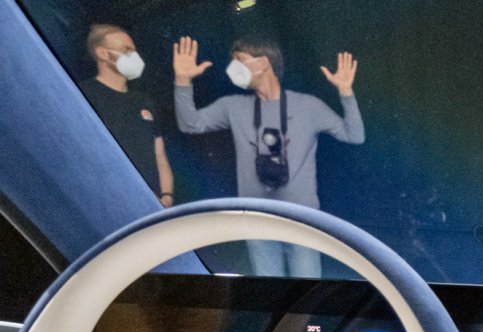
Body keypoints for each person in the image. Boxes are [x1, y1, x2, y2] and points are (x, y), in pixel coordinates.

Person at [172, 35, 364, 278]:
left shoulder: (308, 106)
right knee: (267, 288)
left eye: (240, 60)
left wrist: (346, 92)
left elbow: (354, 135)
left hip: (302, 220)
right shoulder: (232, 106)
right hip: (257, 219)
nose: (233, 68)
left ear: (263, 62)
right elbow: (190, 124)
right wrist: (183, 80)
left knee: (307, 289)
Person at [80, 24, 175, 206]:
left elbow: (160, 155)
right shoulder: (85, 94)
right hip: (109, 200)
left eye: (134, 50)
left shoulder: (143, 102)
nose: (134, 56)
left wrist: (167, 195)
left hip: (151, 203)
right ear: (102, 53)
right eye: (126, 50)